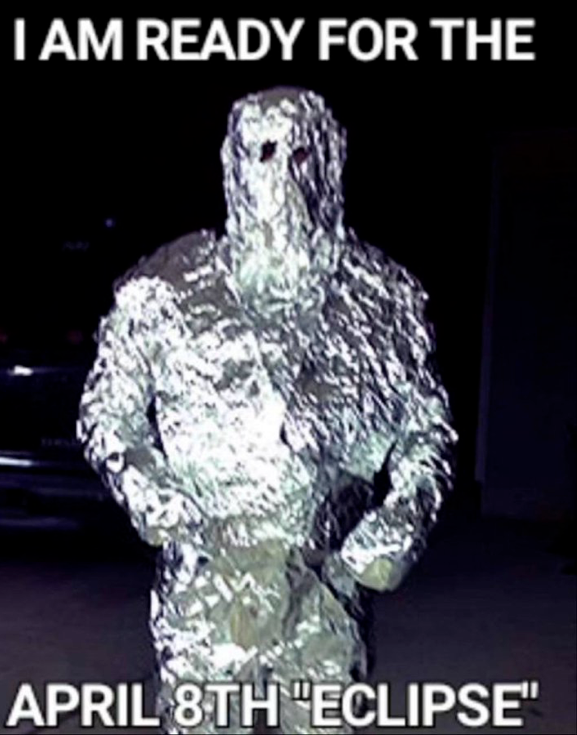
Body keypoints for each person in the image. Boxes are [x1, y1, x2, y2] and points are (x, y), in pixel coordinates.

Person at [77, 86, 458, 734]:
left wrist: (403, 515)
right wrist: (152, 494)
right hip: (207, 582)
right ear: (234, 164)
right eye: (263, 152)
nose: (282, 176)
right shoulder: (165, 290)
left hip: (327, 586)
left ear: (331, 161)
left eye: (301, 154)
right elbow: (107, 413)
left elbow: (426, 430)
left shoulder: (380, 296)